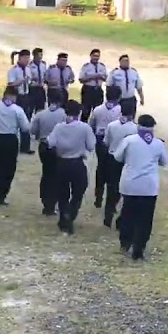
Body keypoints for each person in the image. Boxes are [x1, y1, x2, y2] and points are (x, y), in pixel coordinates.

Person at [113, 115, 168, 258]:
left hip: (130, 184)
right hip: (149, 187)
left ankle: (125, 243)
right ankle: (139, 248)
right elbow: (164, 162)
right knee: (145, 219)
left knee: (128, 215)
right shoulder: (158, 143)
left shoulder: (129, 140)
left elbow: (117, 157)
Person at [46, 100, 96, 234]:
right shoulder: (84, 128)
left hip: (62, 162)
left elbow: (50, 143)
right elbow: (91, 146)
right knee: (78, 192)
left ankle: (63, 216)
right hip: (77, 163)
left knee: (62, 193)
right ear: (79, 112)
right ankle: (71, 213)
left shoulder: (59, 127)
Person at [0, 86, 31, 205]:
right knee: (8, 169)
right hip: (9, 139)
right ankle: (0, 196)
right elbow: (25, 127)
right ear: (14, 96)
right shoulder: (17, 110)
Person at [30, 89, 67, 215]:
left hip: (44, 146)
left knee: (46, 174)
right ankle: (53, 202)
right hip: (58, 147)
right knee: (57, 176)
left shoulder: (40, 114)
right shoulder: (64, 114)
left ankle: (46, 202)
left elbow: (33, 130)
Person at [103, 106, 139, 229]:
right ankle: (121, 218)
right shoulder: (135, 128)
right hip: (127, 160)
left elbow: (106, 142)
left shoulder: (112, 125)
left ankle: (108, 215)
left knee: (111, 187)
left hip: (112, 158)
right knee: (125, 190)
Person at [89, 86, 124, 211]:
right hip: (115, 142)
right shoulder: (120, 110)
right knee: (114, 173)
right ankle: (112, 202)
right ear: (119, 97)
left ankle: (98, 197)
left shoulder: (98, 109)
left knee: (101, 168)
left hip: (100, 140)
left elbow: (91, 124)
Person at [6, 50, 35, 155]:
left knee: (25, 120)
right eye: (25, 58)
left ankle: (25, 146)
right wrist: (21, 81)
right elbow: (11, 84)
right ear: (20, 58)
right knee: (13, 120)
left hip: (26, 95)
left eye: (28, 58)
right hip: (16, 96)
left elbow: (30, 81)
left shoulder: (28, 69)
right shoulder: (13, 70)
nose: (27, 60)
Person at [107, 54, 144, 118]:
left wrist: (142, 98)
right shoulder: (114, 73)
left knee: (131, 118)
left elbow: (139, 87)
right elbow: (109, 87)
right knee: (118, 117)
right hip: (119, 100)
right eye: (124, 61)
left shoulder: (133, 72)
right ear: (120, 62)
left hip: (131, 99)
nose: (126, 63)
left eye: (127, 61)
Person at [78, 49, 108, 122]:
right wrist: (92, 77)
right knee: (86, 110)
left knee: (98, 111)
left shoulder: (102, 66)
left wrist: (100, 76)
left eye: (97, 56)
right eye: (94, 56)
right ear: (91, 56)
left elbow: (106, 78)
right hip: (88, 90)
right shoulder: (86, 67)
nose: (96, 58)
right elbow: (81, 79)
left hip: (98, 90)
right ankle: (83, 125)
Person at [27, 47, 48, 114]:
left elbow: (45, 75)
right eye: (39, 55)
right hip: (33, 88)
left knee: (41, 109)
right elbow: (27, 76)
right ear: (34, 56)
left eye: (41, 55)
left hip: (41, 88)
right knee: (30, 108)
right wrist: (32, 78)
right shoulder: (29, 65)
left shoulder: (43, 65)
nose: (40, 57)